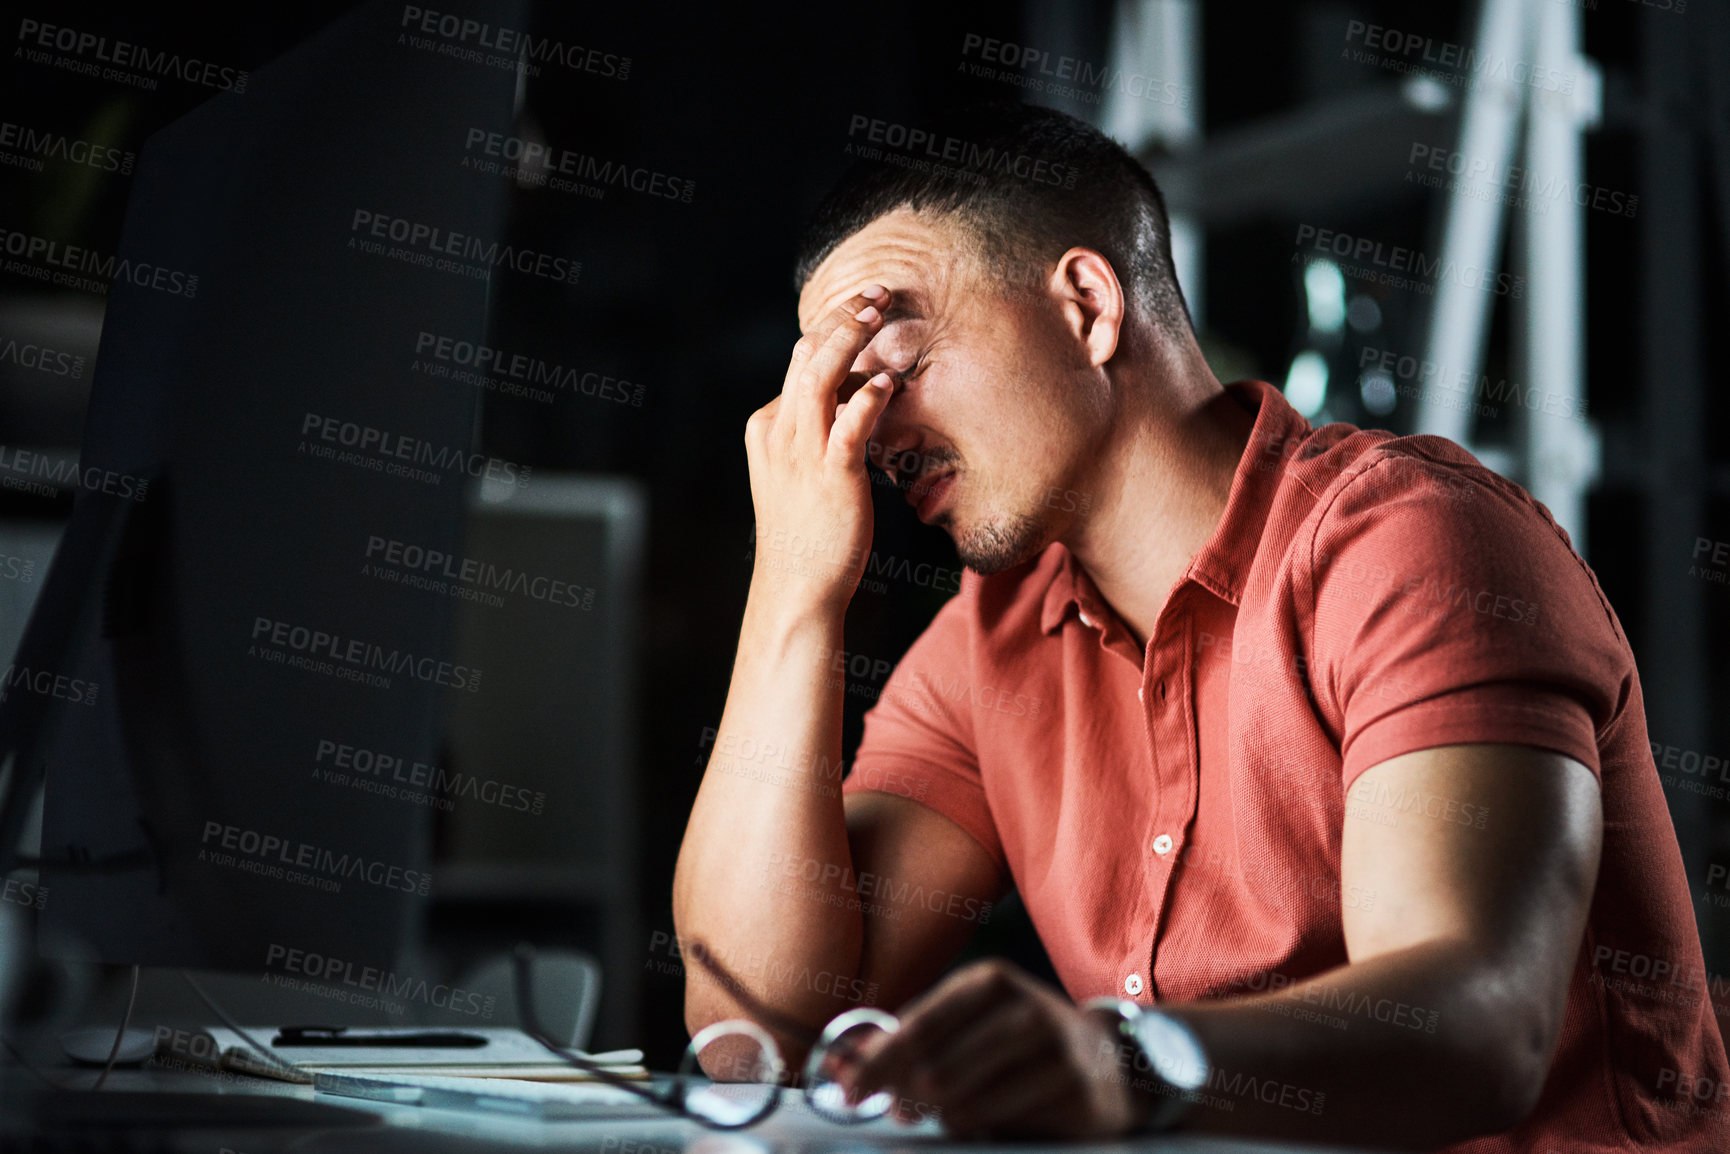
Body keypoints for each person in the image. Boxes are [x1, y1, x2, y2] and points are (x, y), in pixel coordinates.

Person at [672, 102, 1728, 1150]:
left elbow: (1478, 1029)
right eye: (839, 392)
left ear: (1087, 305)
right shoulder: (986, 641)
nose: (866, 435)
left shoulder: (1409, 543)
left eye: (889, 362)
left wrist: (1126, 1057)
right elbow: (754, 1035)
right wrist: (793, 585)